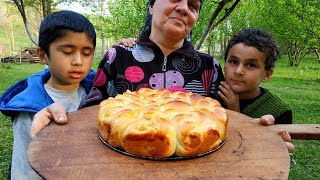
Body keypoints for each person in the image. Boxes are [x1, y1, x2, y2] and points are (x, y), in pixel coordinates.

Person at [31, 0, 294, 153]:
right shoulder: (118, 56)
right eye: (174, 0)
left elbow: (224, 125)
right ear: (151, 6)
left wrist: (261, 141)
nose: (183, 8)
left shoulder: (209, 67)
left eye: (192, 6)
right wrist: (50, 112)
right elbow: (92, 115)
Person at [0, 10, 96, 179]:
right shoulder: (28, 111)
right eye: (67, 51)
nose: (78, 61)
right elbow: (23, 172)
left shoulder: (95, 92)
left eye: (87, 53)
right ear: (43, 55)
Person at [217, 28, 293, 124]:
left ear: (267, 74)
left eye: (251, 65)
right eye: (234, 62)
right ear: (224, 65)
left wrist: (234, 112)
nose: (238, 71)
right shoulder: (211, 99)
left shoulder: (279, 112)